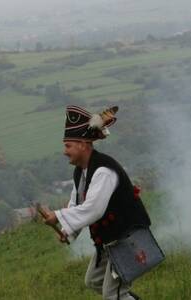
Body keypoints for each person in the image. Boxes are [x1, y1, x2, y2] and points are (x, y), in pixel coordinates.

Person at [43, 105, 151, 300]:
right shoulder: (80, 172)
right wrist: (68, 231)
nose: (64, 151)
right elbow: (76, 205)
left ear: (83, 144)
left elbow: (93, 209)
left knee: (112, 294)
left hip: (128, 238)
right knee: (94, 281)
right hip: (112, 240)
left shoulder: (103, 170)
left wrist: (58, 216)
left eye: (68, 146)